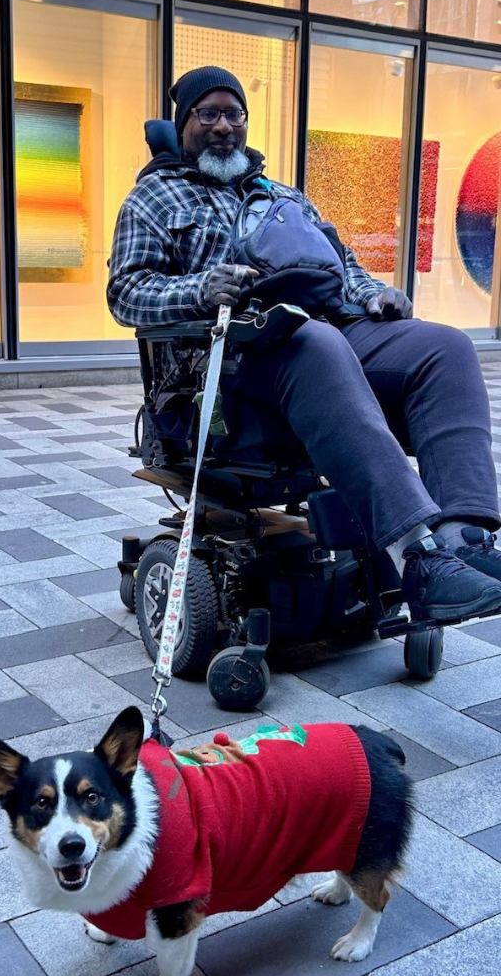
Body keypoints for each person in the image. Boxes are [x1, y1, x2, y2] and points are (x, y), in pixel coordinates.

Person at [108, 64, 501, 624]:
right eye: (209, 113)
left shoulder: (283, 196)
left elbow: (345, 267)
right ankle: (417, 558)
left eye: (234, 113)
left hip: (325, 337)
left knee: (445, 347)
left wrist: (373, 295)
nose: (224, 126)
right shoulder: (153, 199)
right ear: (184, 122)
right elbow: (126, 292)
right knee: (315, 342)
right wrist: (202, 287)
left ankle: (466, 542)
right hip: (227, 363)